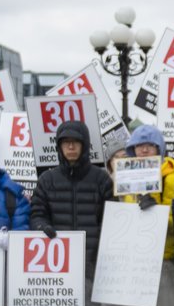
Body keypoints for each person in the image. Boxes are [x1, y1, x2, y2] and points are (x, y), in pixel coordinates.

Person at [28, 119, 112, 289]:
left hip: (95, 264)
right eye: (66, 142)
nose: (71, 147)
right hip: (57, 263)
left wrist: (102, 252)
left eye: (76, 142)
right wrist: (42, 227)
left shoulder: (101, 179)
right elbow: (37, 214)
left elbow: (112, 221)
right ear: (59, 147)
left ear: (85, 145)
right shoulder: (47, 179)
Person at [114, 123, 174, 306]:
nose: (143, 150)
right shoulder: (126, 178)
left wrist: (158, 212)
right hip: (133, 262)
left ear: (159, 149)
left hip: (161, 259)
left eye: (149, 145)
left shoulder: (171, 176)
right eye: (138, 145)